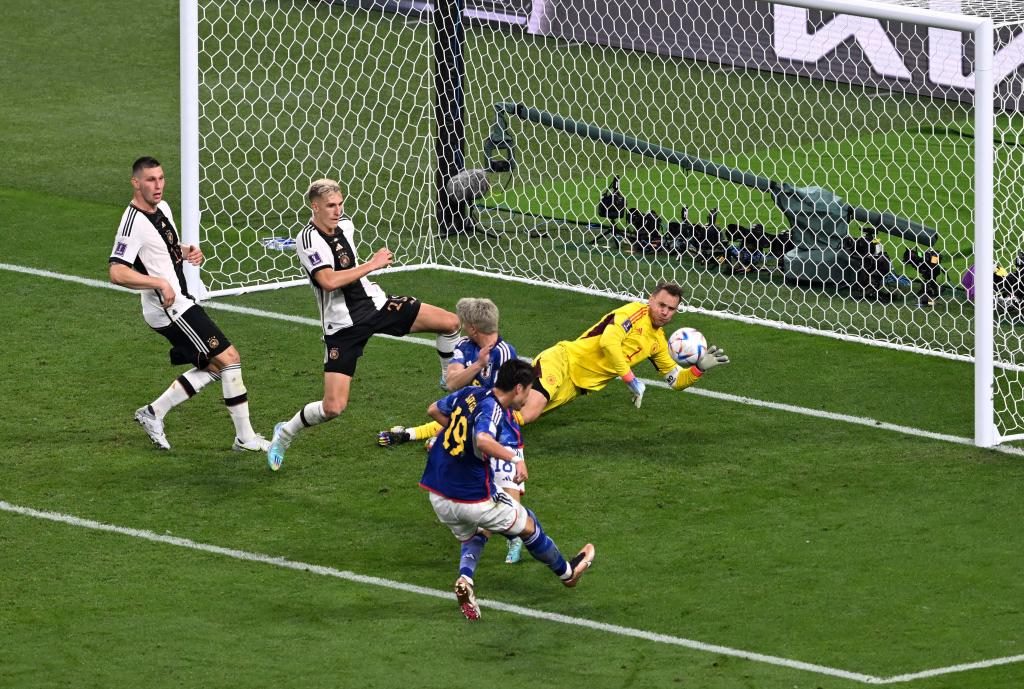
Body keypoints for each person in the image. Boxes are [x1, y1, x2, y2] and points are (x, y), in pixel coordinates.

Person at [266, 178, 461, 471]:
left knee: (450, 322)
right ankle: (284, 433)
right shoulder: (308, 240)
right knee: (333, 407)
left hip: (376, 305)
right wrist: (372, 264)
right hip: (343, 326)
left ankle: (447, 378)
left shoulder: (346, 225)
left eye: (340, 204)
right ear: (314, 207)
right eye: (330, 206)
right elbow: (328, 281)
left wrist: (369, 269)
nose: (337, 210)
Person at [108, 156, 268, 452]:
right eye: (150, 180)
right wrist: (159, 283)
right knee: (229, 358)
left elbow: (163, 250)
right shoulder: (132, 224)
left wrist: (186, 252)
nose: (158, 185)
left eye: (161, 178)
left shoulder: (163, 208)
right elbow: (117, 272)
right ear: (135, 183)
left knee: (216, 366)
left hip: (181, 301)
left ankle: (153, 413)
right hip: (168, 310)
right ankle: (245, 439)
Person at [419, 359, 595, 620]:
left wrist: (461, 442)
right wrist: (515, 459)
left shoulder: (470, 393)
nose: (529, 397)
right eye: (529, 390)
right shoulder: (493, 410)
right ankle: (568, 574)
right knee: (528, 524)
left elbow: (433, 409)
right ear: (518, 388)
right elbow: (483, 440)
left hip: (437, 495)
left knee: (475, 534)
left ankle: (465, 579)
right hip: (472, 499)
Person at [378, 297, 529, 563]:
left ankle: (514, 538)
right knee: (477, 485)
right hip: (471, 421)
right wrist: (478, 365)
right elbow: (451, 383)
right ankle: (477, 544)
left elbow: (500, 398)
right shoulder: (463, 346)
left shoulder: (506, 354)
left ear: (472, 327)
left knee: (507, 482)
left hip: (501, 426)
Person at [519, 281, 729, 424]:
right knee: (529, 412)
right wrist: (630, 379)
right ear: (651, 300)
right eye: (661, 305)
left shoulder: (658, 342)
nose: (664, 312)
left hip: (577, 387)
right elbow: (608, 342)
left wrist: (698, 369)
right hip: (563, 361)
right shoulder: (634, 313)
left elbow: (675, 381)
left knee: (516, 414)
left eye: (671, 309)